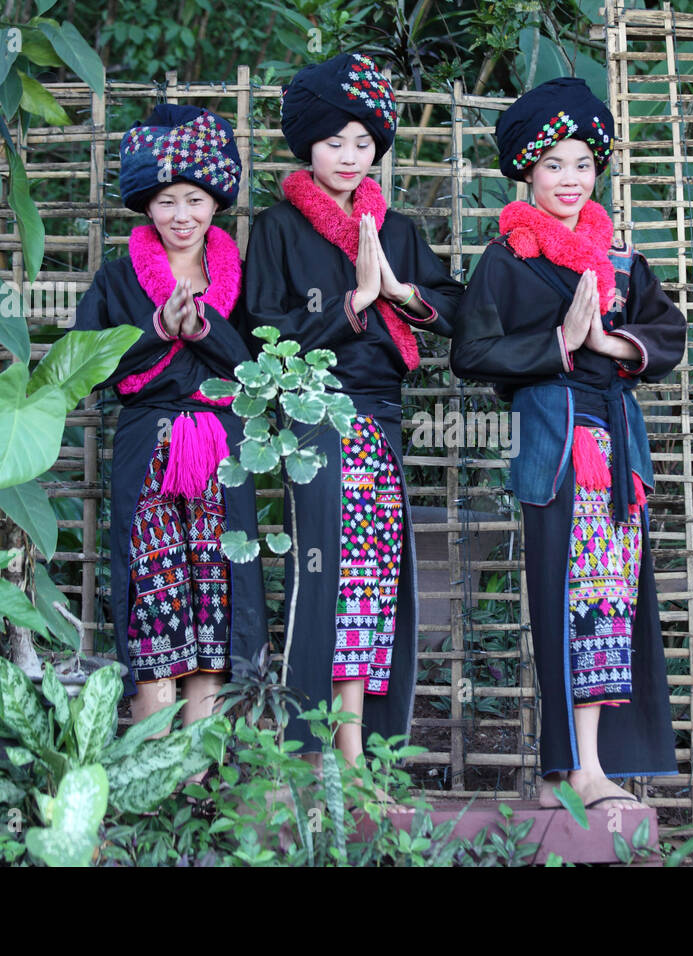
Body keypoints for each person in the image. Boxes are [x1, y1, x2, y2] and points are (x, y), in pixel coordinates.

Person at [450, 77, 687, 811]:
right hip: (556, 446)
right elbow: (472, 350)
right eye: (553, 163)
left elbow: (668, 334)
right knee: (562, 602)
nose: (570, 178)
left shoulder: (619, 258)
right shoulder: (507, 260)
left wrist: (608, 340)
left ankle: (584, 767)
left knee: (609, 602)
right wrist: (560, 343)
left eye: (583, 163)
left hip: (616, 450)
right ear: (526, 170)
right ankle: (569, 768)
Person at [241, 52, 462, 773]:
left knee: (372, 575)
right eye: (334, 141)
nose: (349, 156)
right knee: (325, 569)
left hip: (381, 418)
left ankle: (357, 751)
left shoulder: (393, 229)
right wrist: (351, 307)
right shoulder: (277, 228)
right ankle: (309, 752)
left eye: (363, 143)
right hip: (315, 415)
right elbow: (257, 331)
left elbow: (452, 307)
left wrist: (396, 291)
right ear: (307, 143)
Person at [74, 104, 267, 731]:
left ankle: (198, 766)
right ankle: (155, 766)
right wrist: (159, 329)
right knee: (152, 594)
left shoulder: (245, 279)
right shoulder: (116, 278)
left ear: (216, 200)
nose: (181, 216)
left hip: (221, 446)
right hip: (147, 445)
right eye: (164, 202)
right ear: (145, 207)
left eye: (194, 199)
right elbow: (89, 362)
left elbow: (260, 366)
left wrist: (204, 330)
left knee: (215, 594)